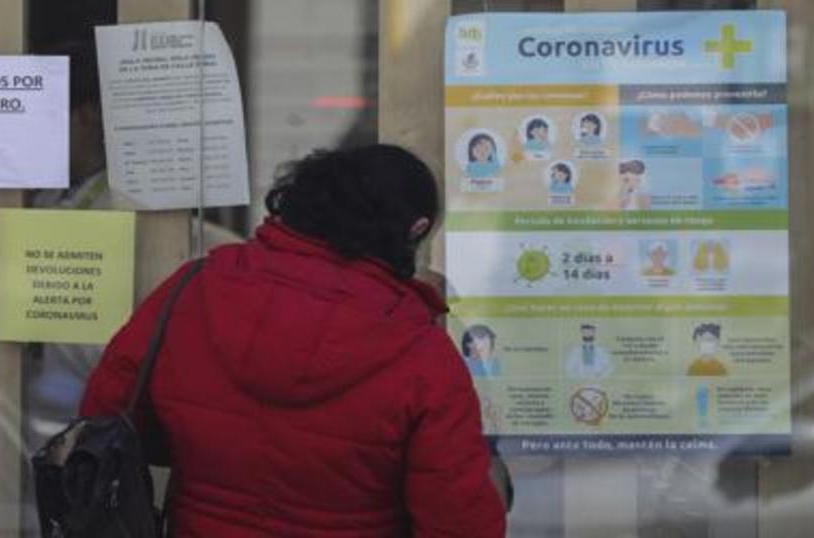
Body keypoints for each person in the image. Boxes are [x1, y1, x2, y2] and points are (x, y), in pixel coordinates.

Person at [80, 145, 506, 537]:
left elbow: (107, 418)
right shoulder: (421, 351)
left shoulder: (193, 289)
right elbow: (459, 519)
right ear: (414, 230)